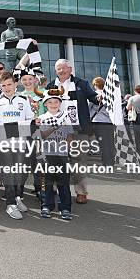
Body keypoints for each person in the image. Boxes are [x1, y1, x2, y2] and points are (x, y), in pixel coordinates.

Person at [46, 59, 100, 205]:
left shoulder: (81, 83)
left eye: (64, 68)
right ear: (55, 70)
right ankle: (58, 190)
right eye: (58, 69)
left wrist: (100, 97)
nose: (61, 71)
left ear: (70, 69)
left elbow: (93, 97)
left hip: (79, 130)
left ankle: (81, 192)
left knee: (79, 162)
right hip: (58, 131)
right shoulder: (51, 86)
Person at [0, 72, 35, 219]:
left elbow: (30, 120)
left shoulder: (24, 100)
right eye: (3, 85)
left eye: (9, 84)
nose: (6, 88)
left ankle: (17, 198)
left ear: (15, 84)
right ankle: (10, 204)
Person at [37, 90, 74, 220]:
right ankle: (46, 205)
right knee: (46, 183)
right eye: (50, 102)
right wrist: (54, 127)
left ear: (60, 103)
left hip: (62, 155)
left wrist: (70, 149)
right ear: (45, 104)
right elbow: (40, 136)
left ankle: (65, 207)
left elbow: (70, 135)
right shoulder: (41, 118)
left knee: (63, 183)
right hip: (47, 155)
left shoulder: (66, 116)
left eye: (56, 102)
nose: (53, 104)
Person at [88, 77, 115, 166]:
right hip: (110, 122)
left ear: (95, 84)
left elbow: (88, 109)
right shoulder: (110, 95)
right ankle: (111, 161)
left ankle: (106, 163)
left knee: (103, 144)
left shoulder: (94, 94)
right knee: (110, 142)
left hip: (98, 122)